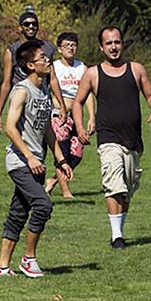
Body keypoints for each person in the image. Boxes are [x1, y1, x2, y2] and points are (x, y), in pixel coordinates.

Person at [72, 26, 151, 249]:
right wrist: (81, 127)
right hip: (107, 138)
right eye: (109, 43)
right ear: (101, 47)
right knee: (114, 185)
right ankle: (116, 236)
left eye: (117, 42)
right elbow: (77, 102)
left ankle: (119, 231)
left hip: (133, 140)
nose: (114, 47)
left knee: (127, 189)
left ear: (122, 44)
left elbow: (150, 95)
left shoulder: (136, 69)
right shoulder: (93, 73)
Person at [0, 40, 73, 278]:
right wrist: (29, 157)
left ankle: (2, 267)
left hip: (37, 161)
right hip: (20, 162)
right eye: (43, 58)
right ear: (30, 65)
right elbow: (10, 127)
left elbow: (47, 130)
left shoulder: (44, 90)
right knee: (43, 205)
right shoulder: (22, 90)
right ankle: (29, 259)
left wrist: (61, 160)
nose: (48, 60)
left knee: (18, 212)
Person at [0, 10, 66, 133]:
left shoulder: (47, 48)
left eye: (34, 24)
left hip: (42, 100)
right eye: (27, 24)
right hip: (21, 100)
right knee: (20, 135)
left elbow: (53, 79)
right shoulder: (12, 51)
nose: (31, 26)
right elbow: (6, 83)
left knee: (42, 137)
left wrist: (62, 105)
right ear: (20, 28)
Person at [45, 32, 96, 198]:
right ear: (59, 49)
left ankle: (53, 181)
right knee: (63, 153)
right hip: (59, 115)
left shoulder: (82, 67)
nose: (70, 48)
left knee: (77, 153)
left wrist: (91, 117)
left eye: (73, 45)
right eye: (66, 45)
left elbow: (88, 94)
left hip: (77, 117)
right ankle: (66, 192)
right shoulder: (53, 67)